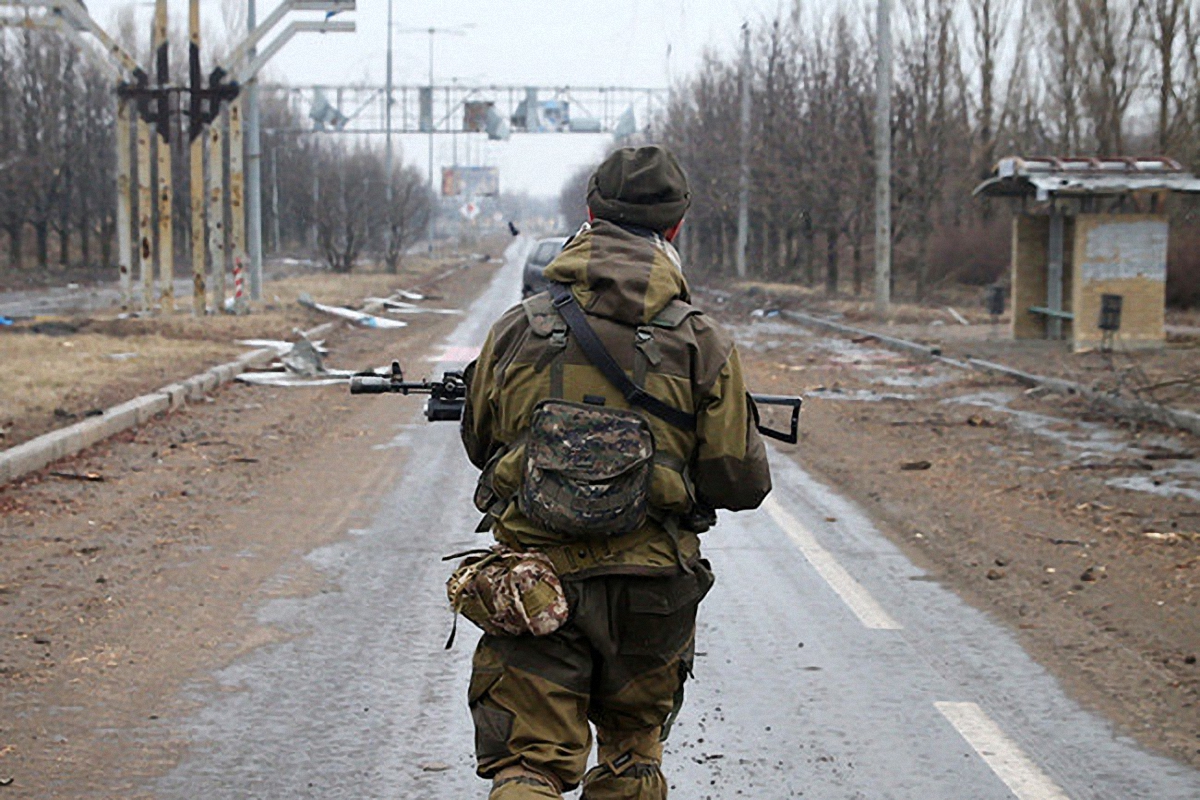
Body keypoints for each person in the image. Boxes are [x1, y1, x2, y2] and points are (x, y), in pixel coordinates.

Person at [460, 145, 772, 799]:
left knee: (529, 763)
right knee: (633, 758)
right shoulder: (701, 340)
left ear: (589, 216)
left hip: (535, 584)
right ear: (676, 228)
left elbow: (479, 442)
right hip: (652, 592)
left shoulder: (520, 328)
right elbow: (740, 483)